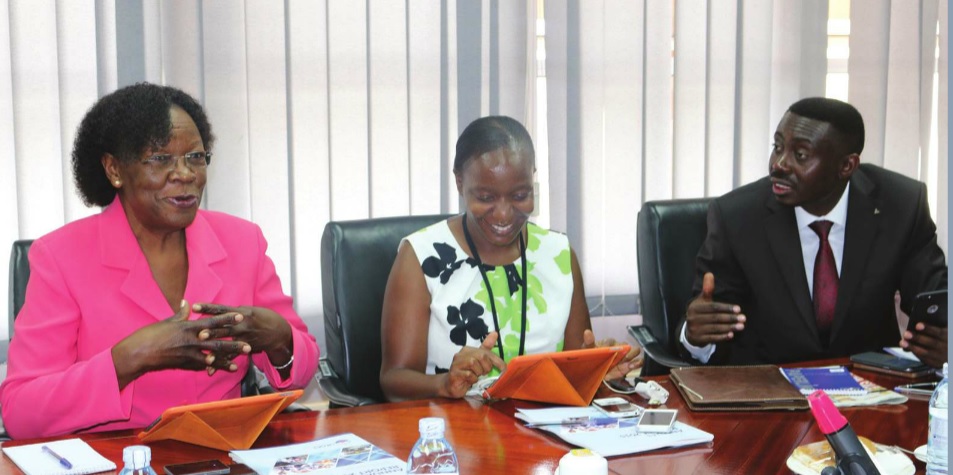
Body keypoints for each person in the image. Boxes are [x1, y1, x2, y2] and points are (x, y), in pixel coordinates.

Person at [0, 83, 319, 438]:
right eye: (160, 159)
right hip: (113, 457)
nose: (184, 174)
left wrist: (279, 340)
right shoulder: (60, 257)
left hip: (223, 454)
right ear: (114, 169)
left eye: (195, 157)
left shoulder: (243, 242)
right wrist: (131, 358)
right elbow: (22, 412)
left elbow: (301, 372)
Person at [379, 116, 641, 401]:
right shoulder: (421, 257)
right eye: (486, 197)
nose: (504, 214)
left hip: (545, 436)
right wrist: (443, 384)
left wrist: (596, 371)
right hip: (455, 433)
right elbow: (393, 380)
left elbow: (574, 369)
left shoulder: (559, 254)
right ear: (459, 182)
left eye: (520, 195)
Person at [680, 97, 947, 368]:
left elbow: (936, 298)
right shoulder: (737, 216)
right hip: (769, 390)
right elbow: (708, 320)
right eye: (778, 147)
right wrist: (696, 335)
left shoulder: (900, 205)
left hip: (872, 387)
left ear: (846, 166)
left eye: (801, 155)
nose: (779, 164)